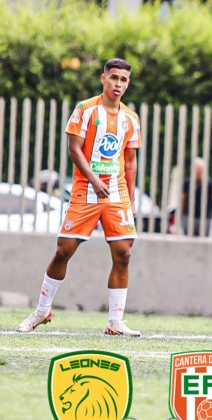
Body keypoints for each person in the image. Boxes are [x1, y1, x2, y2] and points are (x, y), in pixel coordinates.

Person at [17, 58, 142, 337]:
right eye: (113, 77)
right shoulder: (85, 110)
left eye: (123, 79)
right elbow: (74, 149)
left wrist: (131, 199)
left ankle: (115, 322)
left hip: (117, 194)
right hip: (86, 191)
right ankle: (42, 311)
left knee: (124, 253)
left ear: (128, 84)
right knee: (63, 250)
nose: (118, 84)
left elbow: (130, 162)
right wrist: (95, 180)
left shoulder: (131, 119)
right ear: (103, 78)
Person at [181, 157, 212, 237]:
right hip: (188, 216)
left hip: (205, 218)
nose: (198, 171)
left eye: (200, 169)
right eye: (196, 168)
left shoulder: (210, 184)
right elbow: (183, 199)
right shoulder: (187, 182)